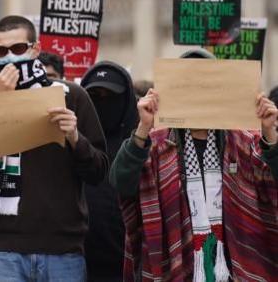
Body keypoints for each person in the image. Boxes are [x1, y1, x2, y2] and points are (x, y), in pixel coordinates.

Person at [0, 15, 107, 282]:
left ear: (35, 49)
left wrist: (75, 137)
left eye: (18, 49)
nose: (9, 57)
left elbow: (99, 171)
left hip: (61, 248)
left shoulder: (71, 96)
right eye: (0, 51)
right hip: (2, 247)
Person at [109, 88, 278, 280]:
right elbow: (120, 182)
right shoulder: (158, 143)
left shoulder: (243, 142)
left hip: (236, 270)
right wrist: (143, 127)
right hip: (176, 267)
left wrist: (270, 132)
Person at [79, 62, 138, 282]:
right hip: (77, 264)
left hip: (128, 265)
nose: (101, 101)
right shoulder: (73, 143)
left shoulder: (140, 145)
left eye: (109, 96)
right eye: (93, 94)